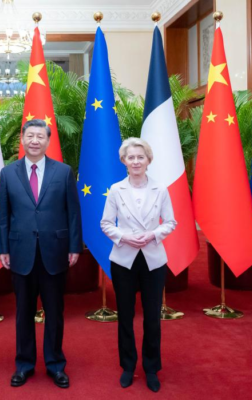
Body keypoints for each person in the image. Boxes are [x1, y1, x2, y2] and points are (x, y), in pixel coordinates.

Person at [0, 119, 83, 389]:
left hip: (55, 252)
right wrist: (2, 248)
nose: (35, 140)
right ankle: (24, 365)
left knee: (54, 312)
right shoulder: (8, 173)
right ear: (22, 139)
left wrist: (74, 246)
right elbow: (2, 215)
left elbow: (73, 213)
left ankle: (56, 364)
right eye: (30, 136)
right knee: (23, 312)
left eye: (40, 136)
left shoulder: (63, 171)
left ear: (48, 141)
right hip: (20, 252)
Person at [101, 137, 176, 393]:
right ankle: (128, 366)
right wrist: (124, 237)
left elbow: (171, 222)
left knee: (152, 317)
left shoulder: (160, 189)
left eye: (140, 157)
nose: (135, 161)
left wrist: (153, 234)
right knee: (125, 315)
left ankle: (151, 368)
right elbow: (106, 223)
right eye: (130, 157)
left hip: (153, 259)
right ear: (123, 160)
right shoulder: (116, 189)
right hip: (124, 259)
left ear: (148, 160)